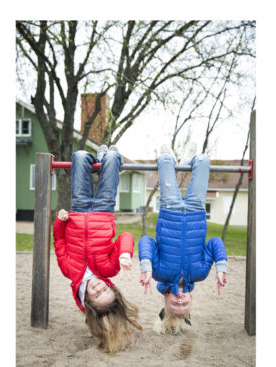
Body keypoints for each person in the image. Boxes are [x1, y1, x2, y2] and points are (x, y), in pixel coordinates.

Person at [53, 145, 142, 353]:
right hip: (104, 209)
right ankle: (103, 160)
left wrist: (60, 221)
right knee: (113, 156)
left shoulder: (69, 271)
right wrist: (125, 254)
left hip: (79, 207)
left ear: (87, 300)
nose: (99, 288)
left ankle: (96, 160)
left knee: (80, 156)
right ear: (110, 286)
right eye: (105, 289)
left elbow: (58, 240)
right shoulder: (110, 269)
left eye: (97, 294)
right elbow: (126, 237)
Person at [138, 145, 227, 335]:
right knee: (203, 159)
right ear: (191, 299)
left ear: (166, 299)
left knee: (164, 159)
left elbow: (146, 241)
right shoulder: (200, 273)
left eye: (175, 303)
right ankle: (187, 163)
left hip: (169, 210)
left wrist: (146, 265)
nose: (180, 299)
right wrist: (220, 267)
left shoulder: (159, 273)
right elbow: (215, 243)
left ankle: (172, 160)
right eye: (184, 303)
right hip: (196, 210)